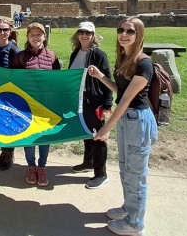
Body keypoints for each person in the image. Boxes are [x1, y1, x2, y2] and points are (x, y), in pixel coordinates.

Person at [87, 17, 158, 236]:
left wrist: (105, 129)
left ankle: (136, 224)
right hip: (128, 119)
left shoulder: (144, 63)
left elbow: (126, 99)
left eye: (131, 31)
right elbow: (119, 90)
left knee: (136, 173)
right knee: (126, 168)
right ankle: (128, 209)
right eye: (121, 30)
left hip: (138, 119)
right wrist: (100, 76)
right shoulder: (125, 58)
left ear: (139, 35)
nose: (124, 34)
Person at [12, 22, 61, 187]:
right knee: (29, 137)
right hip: (26, 105)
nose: (36, 37)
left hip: (46, 105)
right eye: (32, 34)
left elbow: (58, 80)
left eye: (39, 34)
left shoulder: (52, 56)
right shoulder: (20, 57)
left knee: (44, 137)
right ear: (28, 37)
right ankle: (31, 166)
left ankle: (42, 167)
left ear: (44, 37)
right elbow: (13, 81)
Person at [68, 21, 113, 189]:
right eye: (81, 32)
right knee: (85, 133)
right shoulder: (75, 53)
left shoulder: (99, 55)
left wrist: (107, 106)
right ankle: (88, 162)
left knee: (97, 137)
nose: (84, 35)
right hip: (80, 101)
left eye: (88, 33)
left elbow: (107, 80)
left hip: (95, 101)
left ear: (93, 36)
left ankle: (101, 174)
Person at [0, 19, 21, 171]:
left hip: (11, 93)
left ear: (10, 31)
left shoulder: (14, 49)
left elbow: (19, 71)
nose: (2, 32)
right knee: (0, 121)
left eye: (5, 29)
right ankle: (3, 151)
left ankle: (9, 153)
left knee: (10, 123)